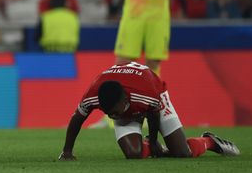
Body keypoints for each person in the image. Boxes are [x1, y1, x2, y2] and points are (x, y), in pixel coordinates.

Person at [59, 61, 240, 160]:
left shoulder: (147, 95)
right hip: (133, 101)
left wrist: (153, 140)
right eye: (109, 114)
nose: (113, 117)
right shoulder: (93, 95)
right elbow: (77, 119)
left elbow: (153, 113)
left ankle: (209, 141)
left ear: (124, 100)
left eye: (115, 112)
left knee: (182, 153)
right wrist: (67, 151)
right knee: (133, 154)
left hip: (156, 97)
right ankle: (157, 148)